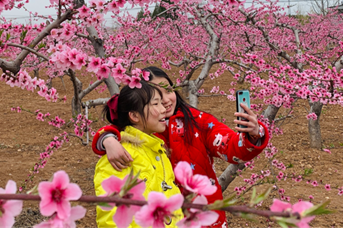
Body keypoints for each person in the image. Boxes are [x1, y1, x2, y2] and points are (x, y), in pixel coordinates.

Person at [92, 67, 270, 228]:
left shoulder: (197, 121)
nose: (165, 101)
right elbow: (120, 130)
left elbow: (231, 147)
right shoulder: (145, 131)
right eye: (157, 98)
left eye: (168, 90)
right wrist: (107, 139)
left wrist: (252, 134)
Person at [94, 80, 183, 228]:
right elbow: (112, 219)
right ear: (134, 116)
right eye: (156, 104)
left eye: (162, 103)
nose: (163, 109)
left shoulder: (157, 150)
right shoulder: (120, 156)